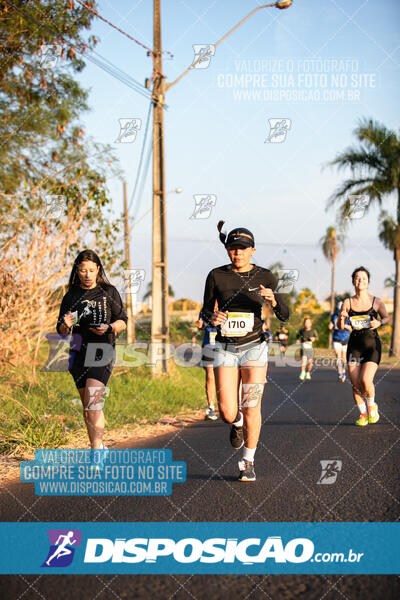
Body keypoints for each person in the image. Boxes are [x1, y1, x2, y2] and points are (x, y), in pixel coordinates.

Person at [202, 222, 289, 482]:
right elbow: (205, 311)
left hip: (255, 348)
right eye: (232, 248)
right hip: (226, 348)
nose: (237, 253)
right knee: (227, 411)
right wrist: (212, 316)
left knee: (252, 405)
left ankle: (248, 461)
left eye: (242, 249)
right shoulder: (216, 275)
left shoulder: (266, 276)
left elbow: (284, 314)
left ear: (252, 250)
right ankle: (236, 422)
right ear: (227, 250)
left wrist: (273, 300)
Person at [57, 250, 127, 456]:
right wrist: (65, 324)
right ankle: (99, 447)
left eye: (91, 270)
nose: (87, 275)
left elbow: (123, 320)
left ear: (98, 270)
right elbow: (61, 331)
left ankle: (95, 452)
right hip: (78, 353)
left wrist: (110, 327)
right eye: (82, 270)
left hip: (102, 350)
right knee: (88, 408)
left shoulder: (109, 292)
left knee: (93, 402)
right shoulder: (70, 296)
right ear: (77, 271)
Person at [338, 266, 389, 426]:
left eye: (364, 278)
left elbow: (387, 318)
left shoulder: (376, 302)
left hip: (372, 346)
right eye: (358, 278)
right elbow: (341, 326)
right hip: (354, 347)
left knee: (366, 380)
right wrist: (342, 317)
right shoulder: (347, 302)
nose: (361, 281)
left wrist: (379, 322)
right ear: (353, 281)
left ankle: (372, 404)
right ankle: (363, 413)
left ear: (368, 282)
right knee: (355, 383)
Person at [196, 307, 218, 420]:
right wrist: (199, 326)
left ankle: (234, 406)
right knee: (210, 376)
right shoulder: (205, 309)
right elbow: (201, 325)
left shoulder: (228, 305)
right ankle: (211, 408)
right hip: (208, 346)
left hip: (225, 346)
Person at [329, 301, 351, 382]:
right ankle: (340, 373)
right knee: (338, 356)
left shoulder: (348, 317)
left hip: (345, 338)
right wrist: (331, 325)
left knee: (344, 357)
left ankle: (344, 372)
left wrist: (343, 325)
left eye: (341, 310)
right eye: (338, 310)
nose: (339, 312)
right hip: (336, 338)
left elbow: (351, 328)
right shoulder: (334, 316)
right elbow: (332, 323)